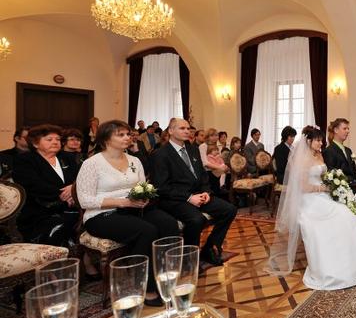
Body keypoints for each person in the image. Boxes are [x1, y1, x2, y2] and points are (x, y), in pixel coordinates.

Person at [266, 126, 356, 289]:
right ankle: (340, 264)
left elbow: (324, 176)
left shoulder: (319, 155)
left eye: (321, 140)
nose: (321, 143)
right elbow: (303, 187)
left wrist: (334, 184)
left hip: (324, 193)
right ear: (308, 141)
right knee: (343, 217)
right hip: (310, 199)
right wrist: (324, 188)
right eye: (317, 140)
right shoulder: (302, 160)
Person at [76, 120, 180, 305]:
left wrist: (144, 197)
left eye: (128, 134)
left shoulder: (134, 160)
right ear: (106, 139)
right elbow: (85, 200)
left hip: (133, 208)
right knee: (147, 230)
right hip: (101, 215)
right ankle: (145, 285)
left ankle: (164, 276)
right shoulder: (92, 163)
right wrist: (122, 202)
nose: (127, 137)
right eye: (121, 135)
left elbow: (142, 186)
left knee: (169, 224)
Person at [151, 118, 237, 266]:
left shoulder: (192, 149)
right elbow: (161, 186)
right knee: (197, 219)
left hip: (199, 194)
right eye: (182, 128)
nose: (187, 131)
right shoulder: (160, 154)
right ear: (170, 131)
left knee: (229, 209)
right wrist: (189, 197)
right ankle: (189, 258)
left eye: (188, 128)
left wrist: (206, 191)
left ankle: (209, 248)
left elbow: (202, 175)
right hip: (175, 199)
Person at [12, 124, 79, 246]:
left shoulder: (67, 157)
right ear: (35, 144)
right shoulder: (25, 160)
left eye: (58, 139)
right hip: (40, 209)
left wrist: (73, 188)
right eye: (49, 139)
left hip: (73, 206)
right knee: (59, 227)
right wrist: (65, 195)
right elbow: (33, 185)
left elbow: (80, 178)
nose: (55, 142)